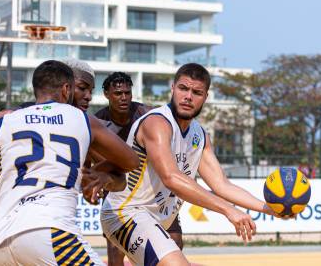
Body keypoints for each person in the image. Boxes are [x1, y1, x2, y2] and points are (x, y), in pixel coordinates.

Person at [0, 60, 139, 265]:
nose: (88, 96)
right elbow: (131, 161)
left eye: (91, 90)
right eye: (82, 88)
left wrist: (101, 178)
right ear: (66, 88)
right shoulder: (83, 123)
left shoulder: (9, 119)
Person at [101, 63, 279, 266]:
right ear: (172, 88)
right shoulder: (157, 123)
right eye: (183, 89)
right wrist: (229, 210)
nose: (188, 97)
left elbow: (222, 185)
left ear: (205, 97)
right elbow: (171, 178)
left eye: (196, 92)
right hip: (126, 213)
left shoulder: (199, 135)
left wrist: (269, 209)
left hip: (153, 221)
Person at [94, 72, 183, 266]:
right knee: (116, 245)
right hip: (118, 182)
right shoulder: (99, 121)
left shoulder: (147, 114)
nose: (124, 97)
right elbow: (96, 158)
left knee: (175, 239)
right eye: (118, 93)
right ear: (106, 94)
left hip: (151, 184)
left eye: (127, 92)